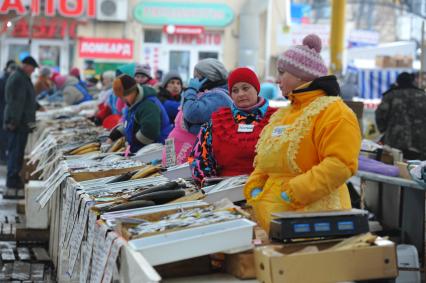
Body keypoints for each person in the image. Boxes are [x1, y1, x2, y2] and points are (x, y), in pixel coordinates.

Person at [244, 34, 362, 231]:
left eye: (282, 73)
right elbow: (268, 158)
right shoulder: (284, 113)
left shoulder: (334, 111)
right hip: (275, 220)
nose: (277, 80)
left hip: (314, 220)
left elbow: (340, 163)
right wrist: (256, 184)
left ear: (300, 75)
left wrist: (295, 191)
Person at [189, 67, 277, 185]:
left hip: (268, 190)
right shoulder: (216, 122)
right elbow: (198, 159)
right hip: (227, 192)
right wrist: (210, 186)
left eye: (245, 88)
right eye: (235, 91)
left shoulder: (278, 119)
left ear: (256, 89)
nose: (241, 94)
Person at [162, 59, 232, 166]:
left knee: (181, 182)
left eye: (197, 76)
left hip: (189, 154)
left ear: (209, 77)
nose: (193, 80)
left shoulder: (219, 97)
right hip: (174, 148)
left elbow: (191, 114)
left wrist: (191, 90)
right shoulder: (205, 93)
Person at [3, 56, 39, 198]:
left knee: (16, 155)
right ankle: (11, 187)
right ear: (27, 66)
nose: (33, 71)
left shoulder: (22, 77)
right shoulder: (19, 79)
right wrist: (14, 121)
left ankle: (13, 184)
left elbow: (26, 99)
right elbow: (16, 103)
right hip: (17, 124)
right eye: (33, 68)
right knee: (15, 154)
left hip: (20, 123)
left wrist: (37, 107)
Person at [108, 75, 172, 153]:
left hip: (156, 151)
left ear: (133, 91)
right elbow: (130, 123)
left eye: (124, 96)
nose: (123, 100)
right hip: (146, 150)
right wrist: (115, 134)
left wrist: (131, 145)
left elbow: (149, 133)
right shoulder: (134, 103)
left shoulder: (148, 105)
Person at [376, 72, 426, 160]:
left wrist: (383, 129)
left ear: (398, 81)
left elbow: (380, 115)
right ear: (412, 81)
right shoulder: (422, 95)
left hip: (395, 139)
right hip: (419, 140)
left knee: (395, 165)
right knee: (416, 167)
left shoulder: (390, 95)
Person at [0, 60, 17, 164]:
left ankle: (3, 157)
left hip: (4, 111)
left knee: (4, 136)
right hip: (3, 112)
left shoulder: (6, 79)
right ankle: (2, 157)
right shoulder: (4, 80)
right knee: (3, 136)